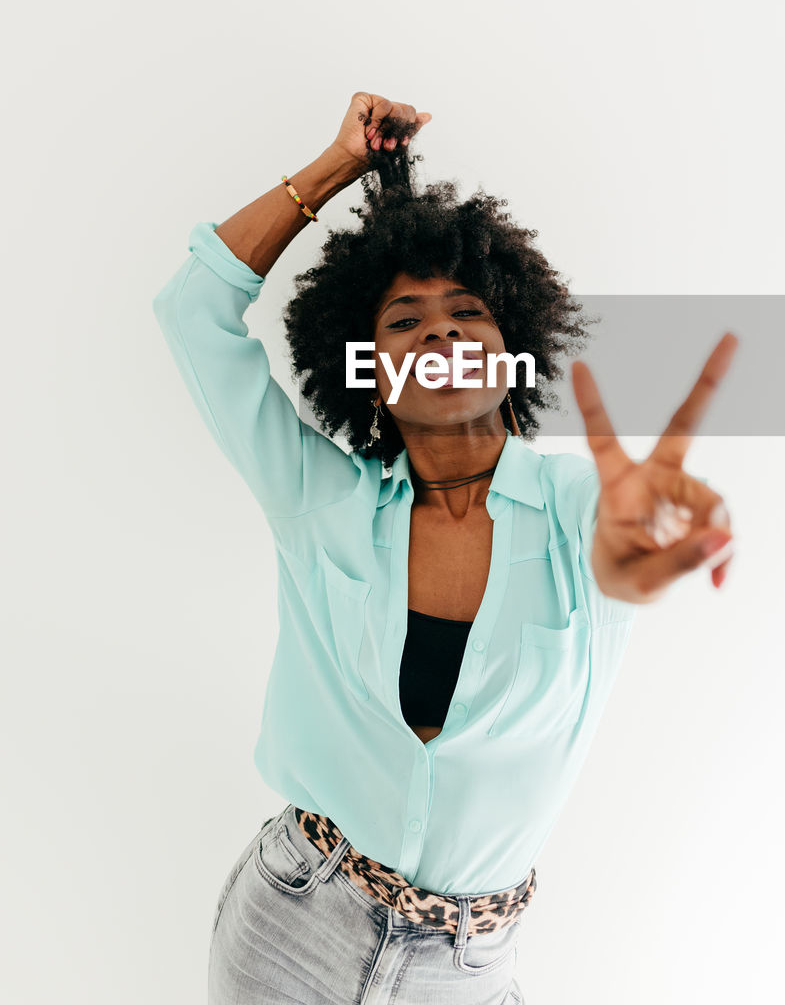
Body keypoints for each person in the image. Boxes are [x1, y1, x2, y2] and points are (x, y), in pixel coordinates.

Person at [152, 92, 737, 1005]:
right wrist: (335, 167)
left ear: (510, 352)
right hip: (292, 922)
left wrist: (647, 538)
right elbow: (194, 310)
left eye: (467, 310)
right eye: (402, 320)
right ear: (369, 376)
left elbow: (623, 553)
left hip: (463, 970)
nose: (440, 329)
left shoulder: (582, 507)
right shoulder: (321, 502)